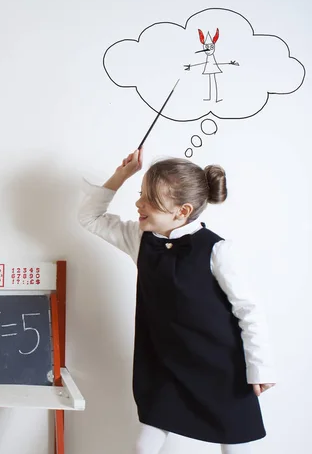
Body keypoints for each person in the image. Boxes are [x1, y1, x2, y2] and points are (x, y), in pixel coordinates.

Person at [78, 149, 276, 454]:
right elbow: (89, 218)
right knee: (144, 446)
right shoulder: (140, 239)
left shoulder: (217, 251)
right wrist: (122, 175)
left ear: (181, 211)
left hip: (221, 368)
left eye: (150, 200)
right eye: (140, 193)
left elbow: (249, 311)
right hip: (166, 367)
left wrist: (260, 368)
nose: (138, 204)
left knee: (236, 447)